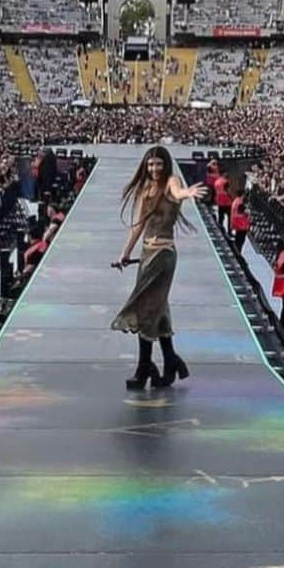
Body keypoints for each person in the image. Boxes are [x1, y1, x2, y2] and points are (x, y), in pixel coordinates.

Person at [111, 146, 206, 390]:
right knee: (157, 306)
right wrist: (125, 252)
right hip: (146, 253)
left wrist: (187, 192)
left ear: (166, 165)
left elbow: (176, 191)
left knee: (144, 306)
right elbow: (139, 224)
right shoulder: (145, 189)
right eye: (151, 164)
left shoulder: (171, 182)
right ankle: (171, 360)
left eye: (159, 164)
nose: (154, 169)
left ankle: (144, 368)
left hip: (163, 255)